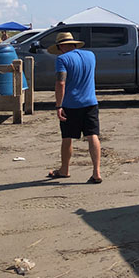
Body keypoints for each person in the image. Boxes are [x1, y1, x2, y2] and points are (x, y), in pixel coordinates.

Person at [45, 32, 103, 184]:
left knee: (67, 137)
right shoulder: (91, 55)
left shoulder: (62, 59)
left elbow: (61, 82)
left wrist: (58, 105)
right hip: (91, 102)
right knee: (92, 135)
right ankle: (96, 172)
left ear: (62, 46)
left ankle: (64, 169)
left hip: (71, 104)